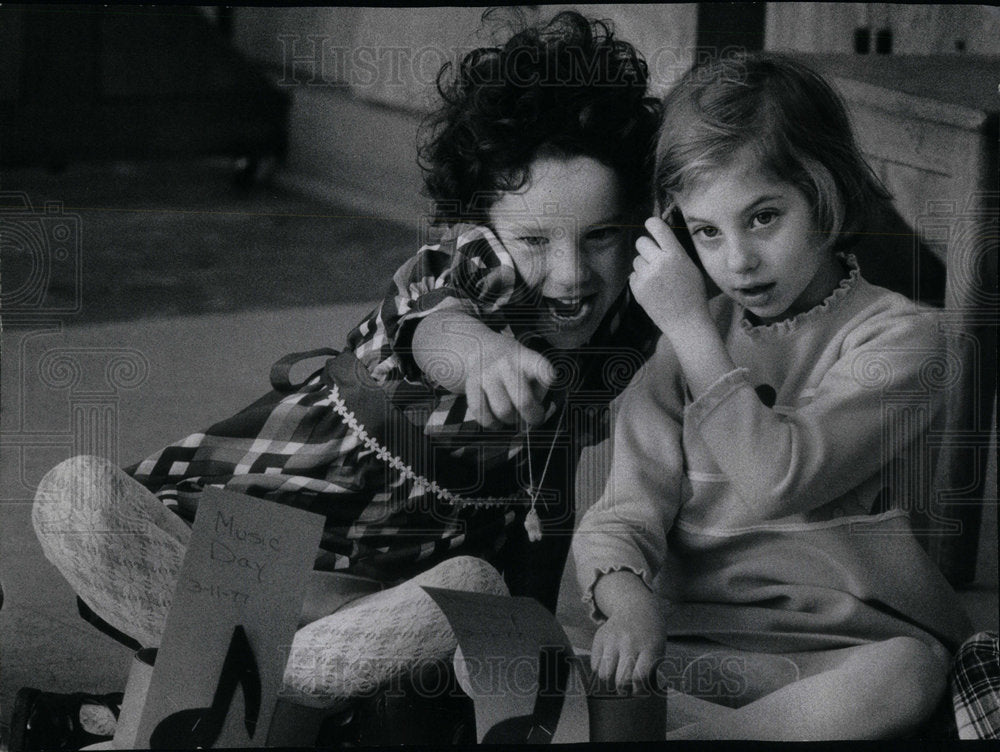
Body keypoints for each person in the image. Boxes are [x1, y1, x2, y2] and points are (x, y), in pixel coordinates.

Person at [29, 9, 660, 722]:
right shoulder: (475, 266)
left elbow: (550, 511)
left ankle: (272, 659)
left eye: (602, 236)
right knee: (76, 496)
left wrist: (529, 642)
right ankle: (274, 640)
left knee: (470, 593)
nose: (571, 274)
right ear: (479, 227)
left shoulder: (629, 323)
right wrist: (485, 355)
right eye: (537, 240)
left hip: (393, 586)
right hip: (269, 520)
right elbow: (435, 325)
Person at [572, 52, 973, 740]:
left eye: (762, 217)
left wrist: (694, 329)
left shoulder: (906, 342)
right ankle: (676, 723)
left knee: (912, 672)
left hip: (844, 658)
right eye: (706, 232)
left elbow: (778, 476)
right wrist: (628, 597)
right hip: (701, 655)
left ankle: (697, 738)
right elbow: (620, 515)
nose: (737, 260)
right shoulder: (680, 350)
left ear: (826, 197)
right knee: (501, 660)